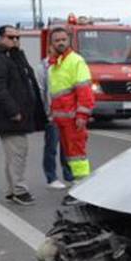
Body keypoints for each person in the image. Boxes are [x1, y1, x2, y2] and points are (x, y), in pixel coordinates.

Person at [0, 24, 46, 205]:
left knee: (14, 154)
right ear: (1, 38)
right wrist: (13, 111)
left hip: (19, 115)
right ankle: (19, 190)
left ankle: (13, 190)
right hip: (9, 117)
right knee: (18, 153)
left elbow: (27, 79)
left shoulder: (13, 57)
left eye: (18, 37)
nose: (16, 41)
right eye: (11, 37)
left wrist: (18, 53)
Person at [47, 26, 94, 198]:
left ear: (69, 41)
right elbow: (56, 94)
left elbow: (85, 91)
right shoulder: (54, 65)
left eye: (63, 40)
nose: (60, 43)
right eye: (56, 40)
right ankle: (78, 186)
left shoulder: (75, 61)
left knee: (77, 155)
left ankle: (84, 190)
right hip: (62, 121)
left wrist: (82, 115)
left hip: (74, 119)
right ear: (51, 43)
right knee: (70, 156)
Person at [36, 40, 73, 189]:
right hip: (52, 114)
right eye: (55, 44)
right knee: (51, 146)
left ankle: (69, 175)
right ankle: (51, 177)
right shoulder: (43, 67)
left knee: (67, 147)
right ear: (49, 47)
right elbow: (40, 91)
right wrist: (46, 112)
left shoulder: (66, 64)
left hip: (67, 113)